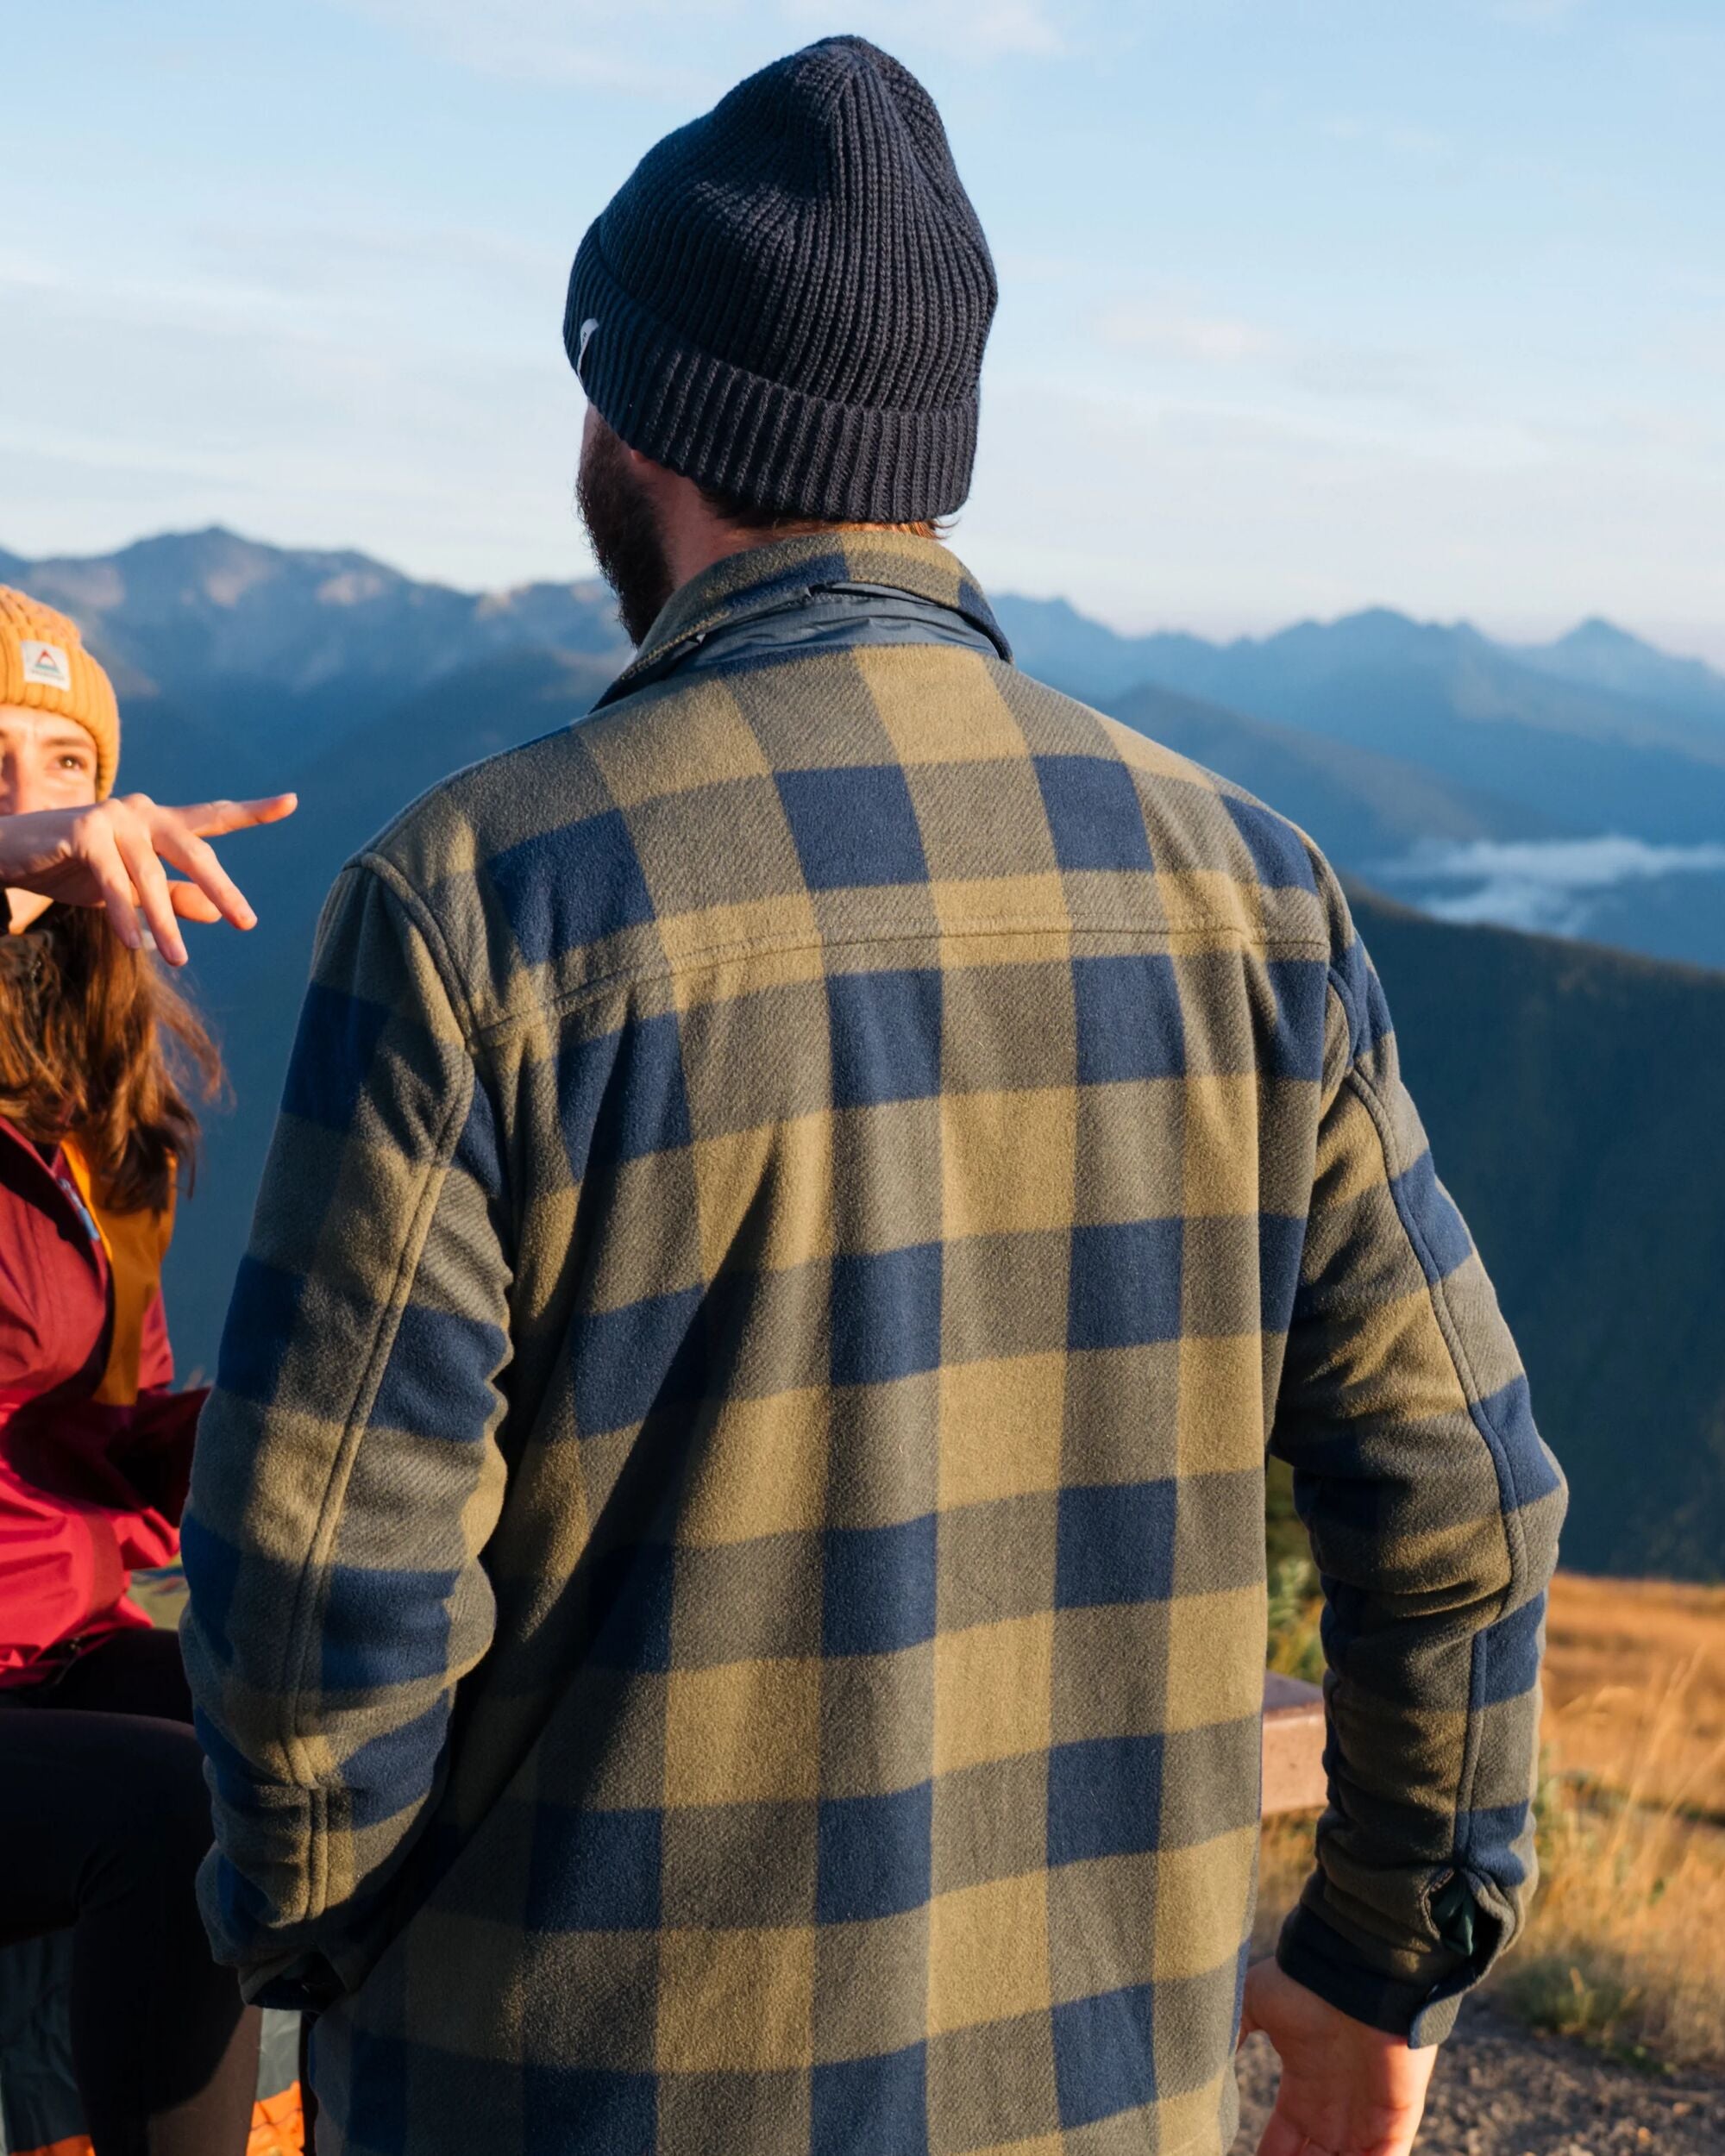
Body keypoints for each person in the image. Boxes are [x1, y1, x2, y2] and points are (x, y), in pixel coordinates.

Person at [182, 37, 1565, 2156]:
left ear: (631, 413)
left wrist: (318, 1940)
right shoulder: (1259, 895)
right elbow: (1461, 1497)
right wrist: (1387, 1954)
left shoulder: (476, 904)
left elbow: (315, 1602)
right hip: (1104, 2098)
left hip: (558, 2093)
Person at [0, 585, 297, 2155]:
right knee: (176, 1813)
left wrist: (282, 1422)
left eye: (61, 766)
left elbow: (93, 1436)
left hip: (55, 1646)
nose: (33, 809)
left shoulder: (92, 1090)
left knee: (330, 1718)